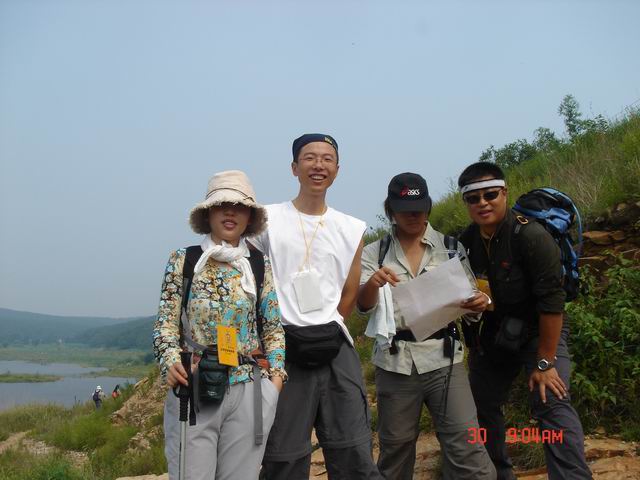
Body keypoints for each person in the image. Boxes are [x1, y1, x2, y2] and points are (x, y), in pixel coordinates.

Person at [251, 134, 382, 480]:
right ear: (294, 168)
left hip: (335, 347)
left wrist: (327, 327)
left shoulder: (351, 228)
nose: (318, 165)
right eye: (309, 158)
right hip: (282, 349)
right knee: (283, 454)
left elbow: (350, 292)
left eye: (327, 159)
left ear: (337, 169)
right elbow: (251, 279)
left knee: (353, 449)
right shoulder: (265, 219)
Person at [457, 162, 591, 480]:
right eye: (473, 198)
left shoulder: (530, 235)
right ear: (466, 203)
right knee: (480, 404)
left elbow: (553, 303)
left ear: (504, 193)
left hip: (539, 330)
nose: (483, 203)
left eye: (490, 195)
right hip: (495, 332)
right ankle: (497, 474)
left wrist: (545, 362)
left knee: (551, 400)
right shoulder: (467, 241)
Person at [357, 172, 496, 480]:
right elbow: (364, 306)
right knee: (395, 449)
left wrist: (477, 305)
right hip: (395, 362)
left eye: (419, 208)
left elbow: (471, 304)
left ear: (428, 207)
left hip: (445, 358)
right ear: (391, 210)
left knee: (467, 445)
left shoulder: (451, 248)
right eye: (405, 209)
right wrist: (373, 283)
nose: (413, 215)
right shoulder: (374, 253)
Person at [153, 170, 287, 480]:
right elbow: (166, 324)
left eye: (239, 206)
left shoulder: (258, 263)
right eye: (222, 205)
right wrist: (170, 361)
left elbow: (272, 327)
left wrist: (275, 382)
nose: (230, 212)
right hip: (194, 386)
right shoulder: (184, 260)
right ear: (208, 213)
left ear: (249, 216)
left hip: (249, 386)